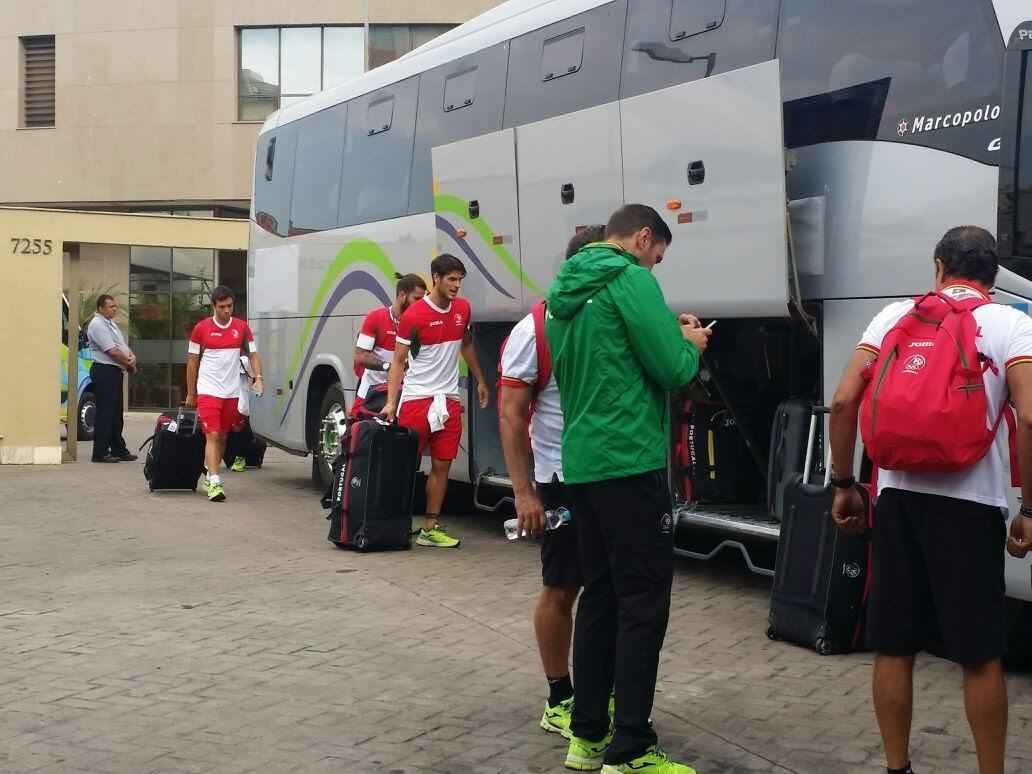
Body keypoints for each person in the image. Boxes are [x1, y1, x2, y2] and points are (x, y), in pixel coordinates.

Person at [829, 225, 1032, 774]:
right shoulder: (1011, 323)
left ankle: (897, 767)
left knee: (894, 646)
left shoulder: (893, 317)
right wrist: (1030, 509)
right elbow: (1031, 415)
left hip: (897, 500)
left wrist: (845, 484)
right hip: (974, 506)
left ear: (939, 267)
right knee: (980, 655)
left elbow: (844, 400)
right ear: (993, 274)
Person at [546, 204, 711, 773]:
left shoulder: (563, 290)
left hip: (583, 463)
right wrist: (692, 343)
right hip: (630, 460)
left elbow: (607, 358)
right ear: (643, 238)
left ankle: (587, 736)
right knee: (643, 604)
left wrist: (671, 337)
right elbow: (672, 369)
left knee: (600, 596)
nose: (654, 266)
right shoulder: (631, 279)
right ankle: (633, 748)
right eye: (657, 256)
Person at [499, 225, 606, 740]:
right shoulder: (535, 328)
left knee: (609, 592)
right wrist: (524, 494)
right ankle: (560, 697)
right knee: (562, 588)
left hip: (611, 478)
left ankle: (600, 692)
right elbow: (511, 414)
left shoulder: (615, 319)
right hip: (560, 479)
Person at [383, 254, 490, 548]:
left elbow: (466, 344)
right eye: (451, 279)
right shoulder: (414, 315)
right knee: (407, 467)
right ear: (436, 278)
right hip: (417, 399)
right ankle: (393, 523)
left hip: (448, 400)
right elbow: (398, 361)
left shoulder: (463, 309)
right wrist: (391, 402)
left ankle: (430, 528)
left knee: (442, 466)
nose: (456, 285)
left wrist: (481, 380)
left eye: (460, 280)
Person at [185, 286, 263, 503]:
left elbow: (253, 354)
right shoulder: (201, 329)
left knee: (222, 436)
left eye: (229, 306)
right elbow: (192, 362)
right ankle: (215, 481)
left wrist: (258, 377)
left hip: (231, 391)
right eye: (222, 307)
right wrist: (191, 392)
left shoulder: (242, 327)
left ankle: (210, 473)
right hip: (208, 390)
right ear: (213, 306)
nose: (226, 310)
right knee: (212, 434)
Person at [351, 273, 427, 418]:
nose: (420, 305)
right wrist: (388, 367)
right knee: (359, 428)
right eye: (417, 299)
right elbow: (360, 356)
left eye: (423, 300)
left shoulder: (419, 323)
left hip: (404, 394)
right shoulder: (376, 317)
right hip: (371, 392)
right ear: (402, 295)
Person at [86, 294, 138, 463]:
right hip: (104, 371)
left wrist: (131, 356)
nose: (114, 309)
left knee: (116, 414)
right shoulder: (97, 324)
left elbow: (121, 345)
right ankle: (100, 452)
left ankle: (118, 449)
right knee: (105, 413)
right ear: (101, 308)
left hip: (114, 371)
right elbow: (112, 351)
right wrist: (129, 364)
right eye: (111, 307)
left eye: (115, 306)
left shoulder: (110, 323)